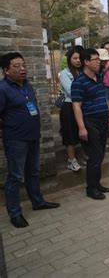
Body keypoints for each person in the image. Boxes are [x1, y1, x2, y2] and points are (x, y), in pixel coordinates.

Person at [0, 52, 60, 228]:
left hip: (33, 136)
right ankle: (15, 213)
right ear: (6, 70)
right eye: (17, 66)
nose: (23, 69)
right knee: (15, 176)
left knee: (33, 172)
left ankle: (38, 201)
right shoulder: (3, 89)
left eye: (24, 65)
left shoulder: (27, 85)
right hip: (16, 140)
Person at [71, 48, 109, 200]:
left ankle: (97, 183)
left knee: (101, 153)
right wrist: (82, 127)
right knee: (94, 155)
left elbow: (104, 98)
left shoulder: (100, 77)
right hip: (90, 122)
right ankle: (91, 188)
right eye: (95, 60)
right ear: (86, 62)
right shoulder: (78, 83)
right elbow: (76, 105)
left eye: (99, 59)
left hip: (102, 120)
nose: (99, 62)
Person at [59, 47, 83, 171]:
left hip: (82, 106)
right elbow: (71, 92)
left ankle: (81, 157)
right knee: (69, 134)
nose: (78, 60)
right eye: (75, 58)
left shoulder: (83, 72)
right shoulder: (65, 73)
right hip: (69, 107)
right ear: (69, 59)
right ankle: (71, 160)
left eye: (80, 58)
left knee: (81, 132)